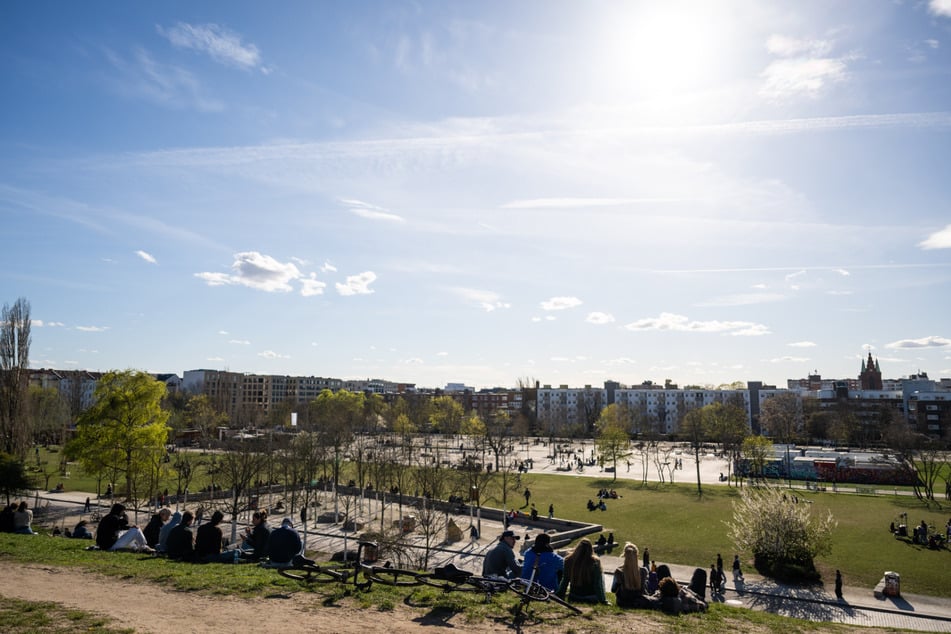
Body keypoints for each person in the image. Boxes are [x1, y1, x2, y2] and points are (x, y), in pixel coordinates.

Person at [557, 538, 607, 604]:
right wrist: (603, 600)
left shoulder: (568, 560)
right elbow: (597, 584)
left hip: (574, 596)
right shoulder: (594, 562)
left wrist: (560, 594)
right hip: (591, 597)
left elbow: (565, 580)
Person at [612, 543, 648, 608]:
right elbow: (643, 590)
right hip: (638, 602)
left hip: (622, 602)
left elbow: (613, 589)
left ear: (624, 555)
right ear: (637, 555)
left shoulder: (619, 571)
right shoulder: (643, 571)